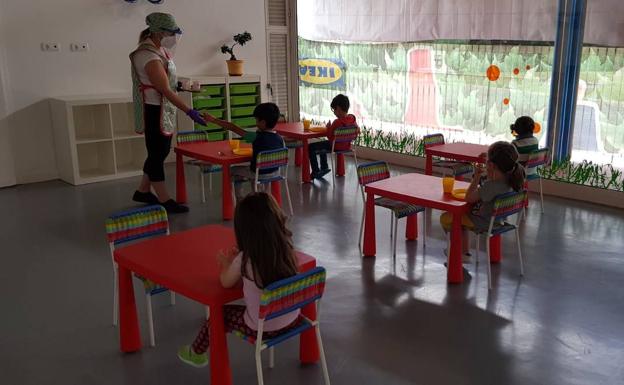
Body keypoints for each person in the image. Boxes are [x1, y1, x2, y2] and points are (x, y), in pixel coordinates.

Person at [177, 192, 301, 368]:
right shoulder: (286, 248)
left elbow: (225, 282)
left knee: (219, 315)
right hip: (293, 320)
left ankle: (196, 352)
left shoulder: (245, 259)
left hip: (263, 329)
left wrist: (227, 264)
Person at [130, 12, 207, 213]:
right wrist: (189, 111)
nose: (173, 37)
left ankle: (143, 191)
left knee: (159, 151)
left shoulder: (159, 50)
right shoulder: (147, 55)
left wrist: (181, 86)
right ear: (159, 32)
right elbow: (164, 89)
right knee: (158, 153)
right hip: (154, 109)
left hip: (163, 108)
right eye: (171, 33)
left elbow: (167, 83)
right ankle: (164, 200)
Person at [440, 141, 525, 261]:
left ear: (491, 165)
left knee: (447, 218)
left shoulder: (491, 186)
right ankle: (464, 253)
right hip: (500, 221)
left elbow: (468, 197)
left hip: (484, 222)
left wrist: (476, 177)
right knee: (460, 220)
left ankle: (458, 251)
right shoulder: (513, 181)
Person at [203, 103, 284, 200]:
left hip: (258, 173)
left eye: (256, 120)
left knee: (231, 171)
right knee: (243, 174)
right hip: (275, 173)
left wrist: (213, 120)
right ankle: (264, 197)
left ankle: (238, 199)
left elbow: (233, 127)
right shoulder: (279, 139)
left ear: (262, 122)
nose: (256, 122)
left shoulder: (256, 137)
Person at [308, 94, 359, 179]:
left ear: (338, 108)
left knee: (311, 147)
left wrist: (328, 127)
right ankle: (324, 167)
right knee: (323, 145)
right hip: (347, 146)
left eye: (334, 110)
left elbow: (330, 137)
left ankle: (316, 171)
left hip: (335, 146)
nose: (334, 112)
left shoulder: (337, 122)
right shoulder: (352, 119)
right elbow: (357, 132)